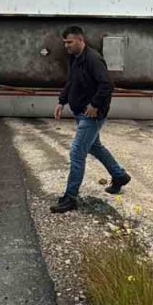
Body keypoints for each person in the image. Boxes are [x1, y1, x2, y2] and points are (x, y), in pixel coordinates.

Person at [50, 26, 131, 214]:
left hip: (91, 115)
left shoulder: (94, 59)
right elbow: (71, 81)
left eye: (70, 42)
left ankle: (70, 197)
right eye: (65, 43)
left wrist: (95, 104)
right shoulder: (74, 58)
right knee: (95, 147)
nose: (66, 46)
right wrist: (62, 101)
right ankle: (119, 175)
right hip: (80, 111)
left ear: (80, 40)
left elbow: (107, 85)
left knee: (77, 152)